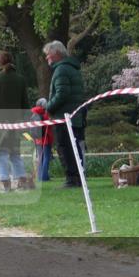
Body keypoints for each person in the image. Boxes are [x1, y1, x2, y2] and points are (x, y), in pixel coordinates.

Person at [0, 50, 31, 191]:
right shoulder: (20, 79)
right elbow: (25, 104)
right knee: (15, 153)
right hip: (16, 123)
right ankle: (22, 182)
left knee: (1, 154)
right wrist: (24, 121)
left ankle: (5, 184)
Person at [43, 40, 86, 188]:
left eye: (48, 54)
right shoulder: (72, 68)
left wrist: (49, 107)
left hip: (64, 117)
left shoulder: (61, 70)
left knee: (65, 148)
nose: (47, 58)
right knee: (74, 147)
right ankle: (78, 177)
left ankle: (72, 178)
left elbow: (62, 94)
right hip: (75, 116)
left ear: (56, 54)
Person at [30, 98, 54, 182]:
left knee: (40, 158)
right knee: (46, 157)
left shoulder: (34, 114)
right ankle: (44, 177)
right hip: (46, 139)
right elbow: (49, 126)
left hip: (37, 140)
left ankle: (40, 176)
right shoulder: (44, 114)